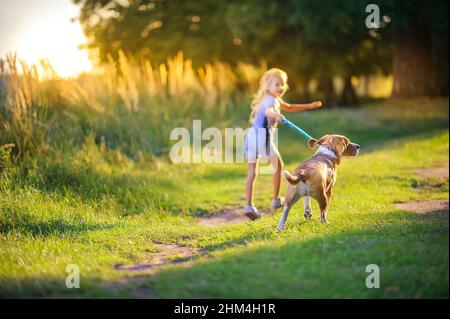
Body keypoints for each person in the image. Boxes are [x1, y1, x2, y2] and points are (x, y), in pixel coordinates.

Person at [244, 68, 322, 220]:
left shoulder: (270, 98)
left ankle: (248, 205)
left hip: (250, 138)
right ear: (267, 86)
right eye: (277, 84)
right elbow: (268, 111)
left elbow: (290, 107)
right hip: (262, 138)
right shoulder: (270, 101)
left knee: (252, 172)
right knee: (278, 166)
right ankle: (275, 200)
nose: (280, 87)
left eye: (282, 84)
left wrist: (310, 106)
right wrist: (277, 115)